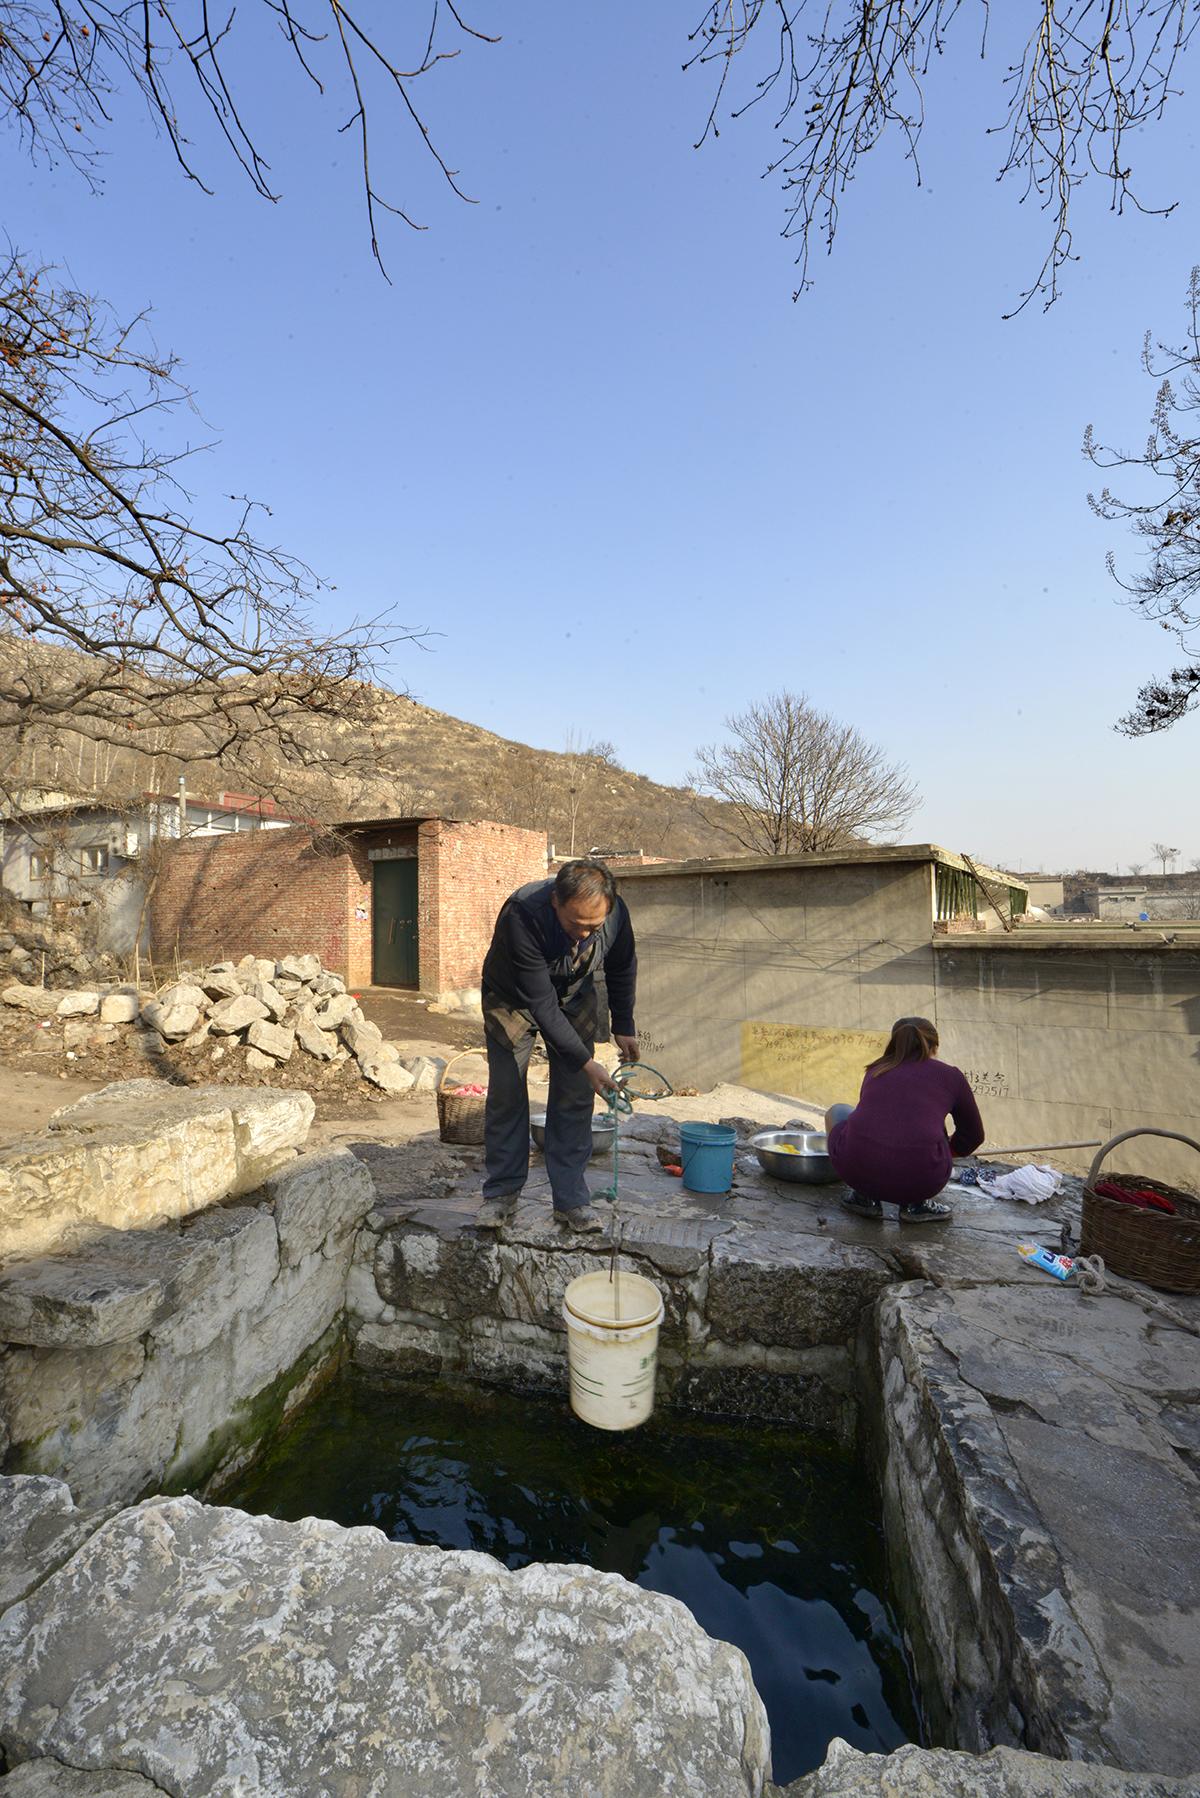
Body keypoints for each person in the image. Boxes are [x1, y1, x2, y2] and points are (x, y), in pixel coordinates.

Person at [476, 858, 638, 1234]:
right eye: (574, 925)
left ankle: (571, 1199)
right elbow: (542, 1005)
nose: (583, 935)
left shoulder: (615, 914)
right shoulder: (523, 914)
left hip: (573, 994)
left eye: (592, 928)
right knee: (507, 1090)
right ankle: (501, 1193)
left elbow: (622, 965)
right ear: (555, 902)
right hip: (512, 997)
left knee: (575, 1095)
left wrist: (624, 1024)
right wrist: (587, 1062)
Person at [824, 1016, 983, 1224]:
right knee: (930, 1126)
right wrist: (945, 1153)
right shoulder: (950, 1076)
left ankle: (864, 1198)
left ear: (895, 1042)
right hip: (923, 1181)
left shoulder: (876, 1069)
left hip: (855, 1171)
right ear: (934, 1047)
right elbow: (973, 1136)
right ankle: (916, 1205)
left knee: (839, 1111)